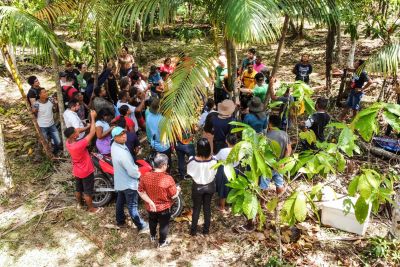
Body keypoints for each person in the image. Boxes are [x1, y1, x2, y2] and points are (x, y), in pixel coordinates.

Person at [111, 126, 148, 233]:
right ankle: (141, 225)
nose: (124, 136)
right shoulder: (122, 154)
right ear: (115, 137)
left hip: (120, 180)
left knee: (120, 200)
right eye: (120, 135)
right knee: (132, 206)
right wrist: (139, 174)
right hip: (128, 183)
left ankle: (120, 220)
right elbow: (132, 171)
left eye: (124, 133)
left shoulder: (114, 145)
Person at [64, 110, 102, 213]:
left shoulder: (68, 142)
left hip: (77, 170)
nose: (78, 131)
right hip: (86, 171)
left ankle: (80, 204)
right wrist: (93, 117)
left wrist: (86, 127)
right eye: (76, 132)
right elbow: (93, 133)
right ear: (74, 136)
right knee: (87, 191)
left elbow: (77, 132)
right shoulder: (79, 145)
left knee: (78, 189)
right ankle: (91, 208)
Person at [138, 153, 180, 247]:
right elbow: (173, 195)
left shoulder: (145, 176)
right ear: (163, 165)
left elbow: (140, 191)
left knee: (152, 221)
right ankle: (162, 242)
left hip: (151, 207)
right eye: (167, 164)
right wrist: (178, 190)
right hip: (164, 208)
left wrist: (150, 202)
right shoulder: (168, 179)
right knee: (163, 225)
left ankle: (152, 235)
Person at [187, 138, 217, 236]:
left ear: (198, 149)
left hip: (198, 187)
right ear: (209, 148)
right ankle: (206, 231)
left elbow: (189, 173)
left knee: (196, 208)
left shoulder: (192, 160)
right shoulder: (214, 160)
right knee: (207, 208)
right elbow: (215, 173)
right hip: (210, 186)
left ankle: (193, 231)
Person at [262, 114, 291, 195]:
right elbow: (288, 149)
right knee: (279, 184)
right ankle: (278, 202)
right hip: (280, 165)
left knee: (264, 185)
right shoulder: (285, 134)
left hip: (268, 165)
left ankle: (263, 203)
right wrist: (283, 162)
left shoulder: (266, 136)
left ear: (270, 124)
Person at [32, 88, 62, 155]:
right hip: (42, 126)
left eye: (46, 92)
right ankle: (43, 154)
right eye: (44, 92)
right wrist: (34, 110)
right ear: (39, 95)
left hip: (51, 124)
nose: (46, 93)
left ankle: (55, 153)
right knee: (44, 141)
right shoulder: (36, 104)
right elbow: (34, 114)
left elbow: (54, 110)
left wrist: (56, 104)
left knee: (58, 141)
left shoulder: (50, 100)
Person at [214, 134, 238, 212]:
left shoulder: (223, 151)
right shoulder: (238, 151)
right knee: (233, 187)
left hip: (224, 170)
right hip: (235, 170)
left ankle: (222, 207)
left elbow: (216, 158)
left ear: (226, 141)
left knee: (223, 188)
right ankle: (231, 205)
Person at [146, 98, 171, 168]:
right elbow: (168, 133)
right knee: (166, 163)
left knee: (157, 163)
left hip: (154, 143)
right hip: (164, 146)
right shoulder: (163, 119)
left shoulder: (148, 116)